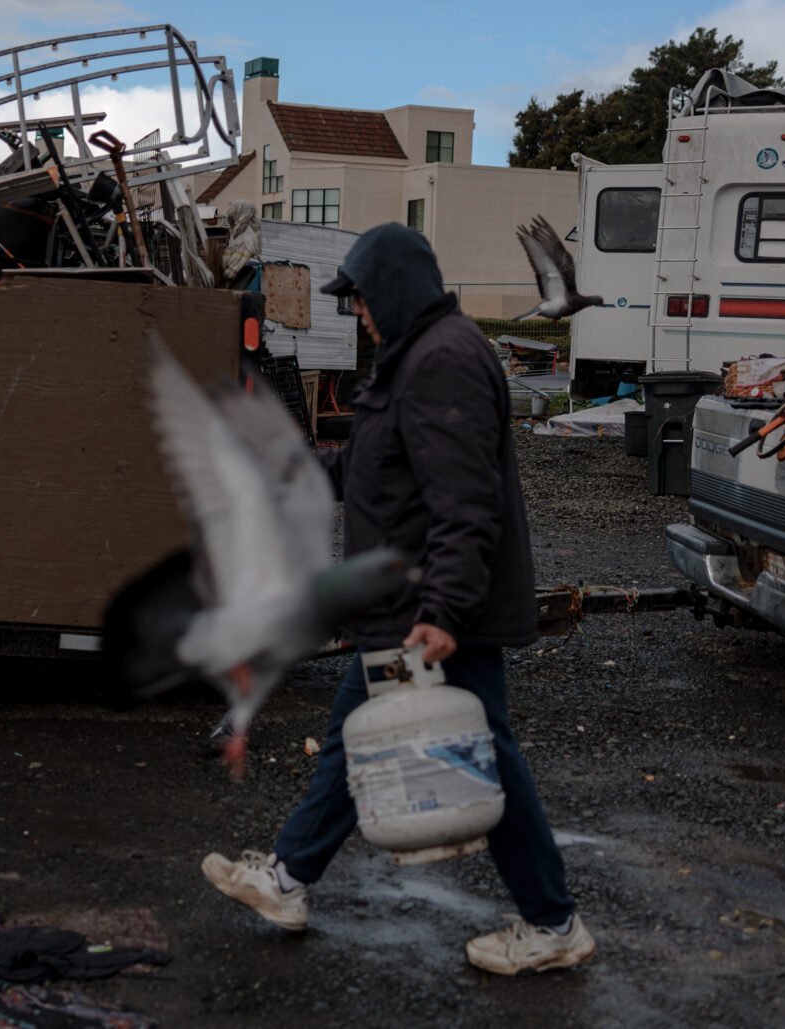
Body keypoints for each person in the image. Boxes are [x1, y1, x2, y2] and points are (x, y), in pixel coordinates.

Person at [200, 222, 596, 976]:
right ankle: (287, 878)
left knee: (489, 762)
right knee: (356, 743)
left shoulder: (442, 361)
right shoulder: (415, 357)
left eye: (361, 299)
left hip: (433, 609)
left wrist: (443, 611)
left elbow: (467, 502)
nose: (358, 314)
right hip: (409, 604)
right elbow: (371, 465)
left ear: (394, 289)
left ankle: (553, 922)